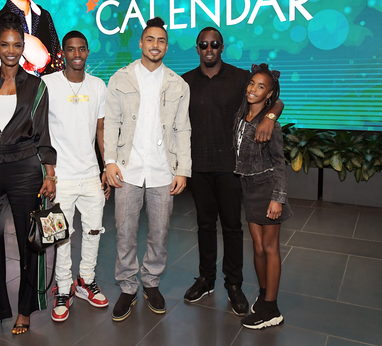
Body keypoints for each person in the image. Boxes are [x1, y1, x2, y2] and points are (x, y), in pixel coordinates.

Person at [181, 27, 284, 316]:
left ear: (222, 47)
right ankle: (206, 279)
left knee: (233, 228)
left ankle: (234, 285)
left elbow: (275, 97)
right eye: (203, 44)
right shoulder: (185, 82)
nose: (209, 48)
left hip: (231, 170)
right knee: (204, 226)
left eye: (214, 44)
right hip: (198, 167)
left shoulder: (241, 78)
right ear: (198, 48)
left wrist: (270, 117)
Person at [0, 12, 57, 338]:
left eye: (16, 44)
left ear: (24, 46)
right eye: (4, 44)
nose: (10, 50)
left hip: (25, 171)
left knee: (30, 243)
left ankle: (24, 311)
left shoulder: (37, 86)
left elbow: (43, 136)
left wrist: (49, 175)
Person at [103, 17, 192, 322]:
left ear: (166, 46)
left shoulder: (178, 84)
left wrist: (183, 170)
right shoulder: (121, 78)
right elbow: (111, 123)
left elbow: (183, 130)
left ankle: (151, 282)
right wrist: (109, 161)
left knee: (160, 232)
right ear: (140, 43)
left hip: (162, 172)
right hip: (127, 170)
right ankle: (128, 287)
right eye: (150, 40)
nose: (156, 45)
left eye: (161, 41)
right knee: (125, 232)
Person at [41, 30, 110, 322]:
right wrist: (48, 173)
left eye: (82, 48)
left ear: (87, 51)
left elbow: (101, 130)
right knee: (60, 236)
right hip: (60, 178)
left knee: (94, 231)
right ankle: (63, 287)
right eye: (71, 49)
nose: (77, 54)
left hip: (91, 175)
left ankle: (85, 280)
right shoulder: (47, 84)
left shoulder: (98, 86)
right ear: (63, 54)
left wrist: (106, 167)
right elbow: (39, 132)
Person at [233, 63, 292, 330]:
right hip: (248, 188)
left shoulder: (272, 126)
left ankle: (271, 308)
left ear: (269, 94)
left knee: (270, 248)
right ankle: (265, 296)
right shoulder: (240, 115)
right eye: (251, 83)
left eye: (261, 86)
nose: (253, 89)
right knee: (257, 248)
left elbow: (280, 163)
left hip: (266, 189)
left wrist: (277, 198)